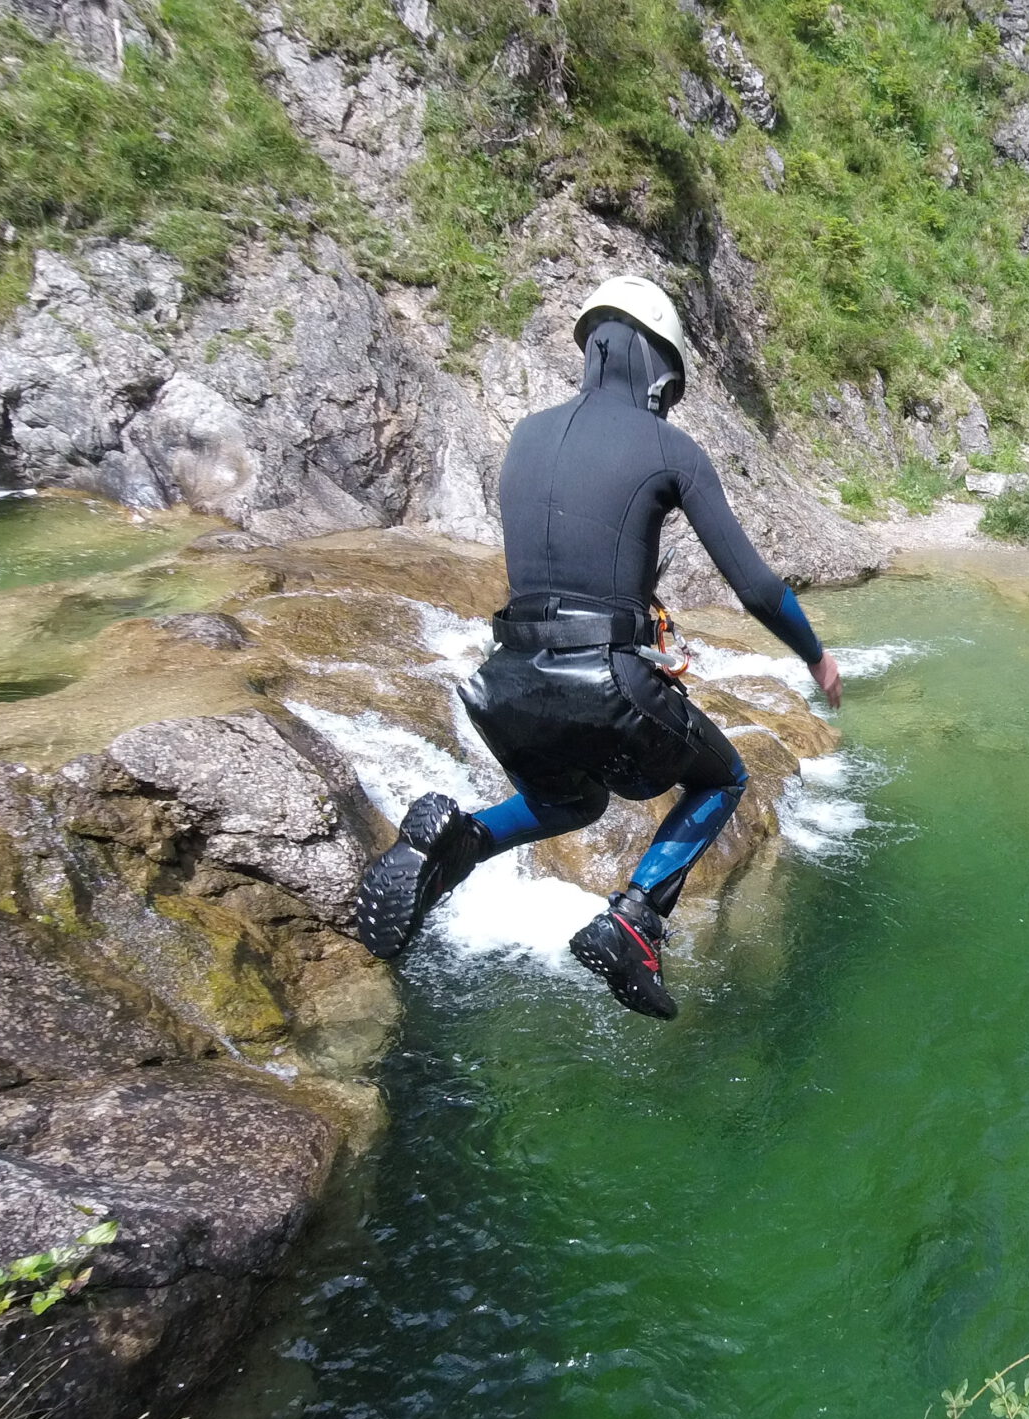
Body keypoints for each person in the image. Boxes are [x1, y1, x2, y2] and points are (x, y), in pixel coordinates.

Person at [351, 274, 842, 1019]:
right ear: (657, 361)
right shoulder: (670, 447)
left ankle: (460, 839)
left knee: (570, 801)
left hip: (506, 684)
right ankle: (634, 922)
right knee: (723, 779)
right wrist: (815, 655)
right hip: (605, 678)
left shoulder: (524, 435)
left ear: (593, 348)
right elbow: (756, 588)